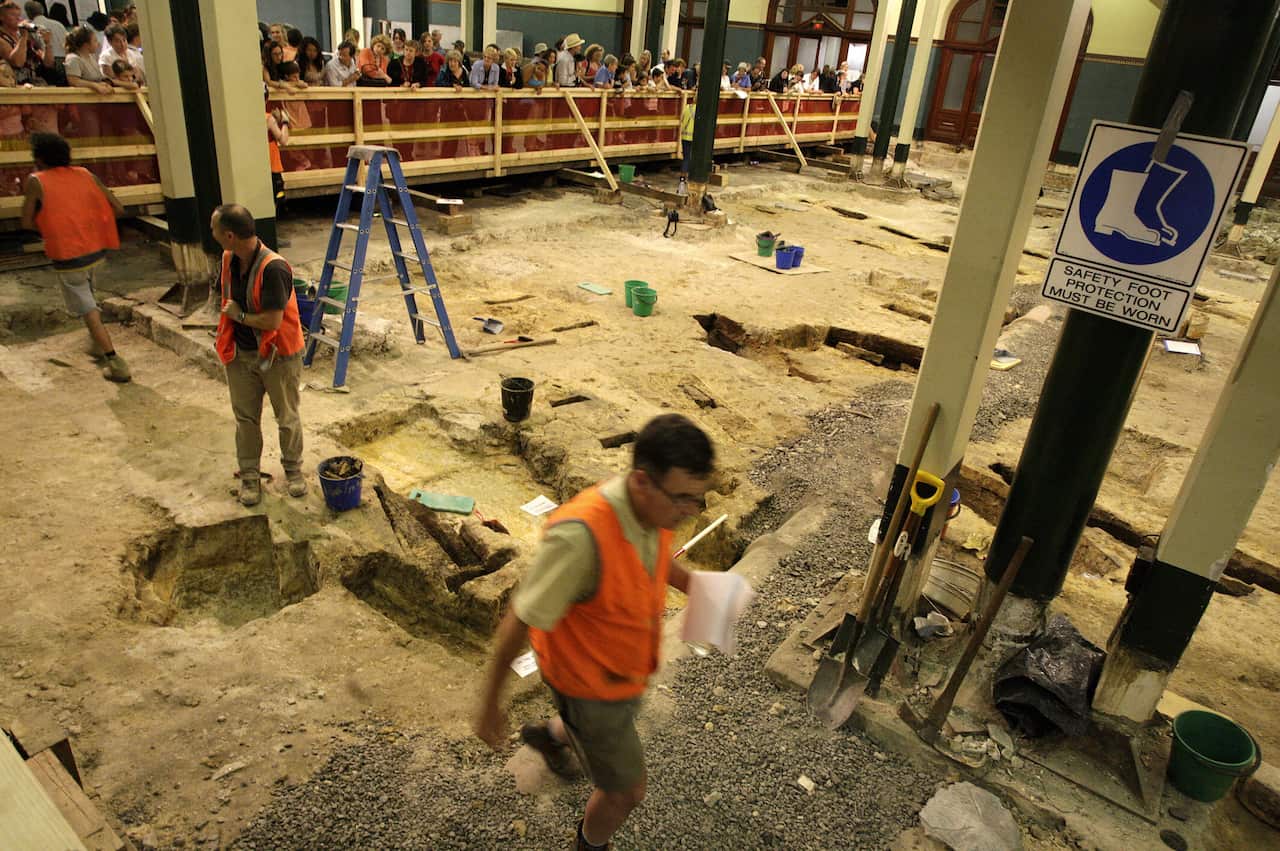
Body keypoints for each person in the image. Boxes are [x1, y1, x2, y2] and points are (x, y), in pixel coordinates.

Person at [475, 414, 715, 851]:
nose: (688, 512)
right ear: (643, 481)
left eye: (696, 500)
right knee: (627, 792)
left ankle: (549, 736)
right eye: (682, 498)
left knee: (595, 726)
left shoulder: (652, 511)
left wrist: (692, 585)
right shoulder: (579, 537)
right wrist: (491, 702)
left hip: (619, 671)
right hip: (587, 683)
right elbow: (521, 618)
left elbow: (654, 556)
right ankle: (589, 844)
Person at [209, 204, 307, 507]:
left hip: (280, 355)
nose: (211, 234)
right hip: (241, 354)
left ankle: (293, 472)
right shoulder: (229, 258)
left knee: (287, 417)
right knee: (246, 419)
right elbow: (222, 295)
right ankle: (250, 477)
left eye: (214, 229)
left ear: (229, 235)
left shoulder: (274, 268)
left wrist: (238, 315)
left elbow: (272, 322)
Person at [21, 132, 129, 383]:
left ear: (39, 158)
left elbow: (26, 220)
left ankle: (115, 360)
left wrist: (53, 228)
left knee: (87, 308)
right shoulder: (85, 174)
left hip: (67, 255)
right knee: (89, 295)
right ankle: (96, 342)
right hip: (97, 250)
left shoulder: (36, 181)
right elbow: (118, 207)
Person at [0, 0, 53, 85]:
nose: (18, 18)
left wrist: (47, 43)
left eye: (19, 15)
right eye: (13, 15)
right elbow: (18, 62)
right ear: (2, 17)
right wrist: (23, 37)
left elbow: (48, 63)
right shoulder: (2, 38)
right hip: (14, 84)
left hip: (34, 83)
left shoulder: (27, 37)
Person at [62, 26, 112, 92]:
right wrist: (94, 85)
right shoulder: (73, 59)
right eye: (95, 41)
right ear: (86, 45)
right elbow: (74, 81)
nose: (98, 44)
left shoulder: (91, 57)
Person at [265, 91, 288, 209]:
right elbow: (283, 140)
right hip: (271, 164)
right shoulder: (268, 118)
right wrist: (284, 122)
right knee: (275, 197)